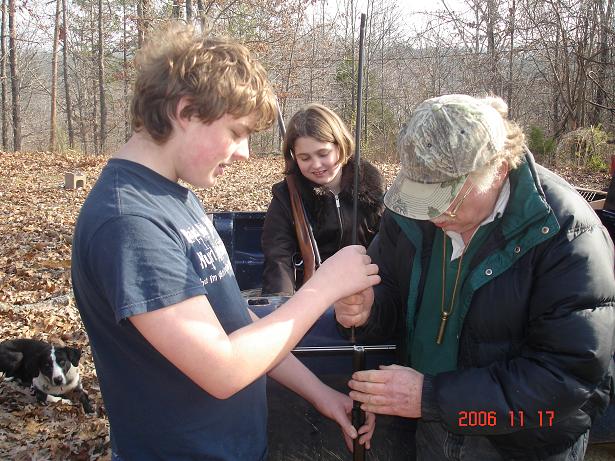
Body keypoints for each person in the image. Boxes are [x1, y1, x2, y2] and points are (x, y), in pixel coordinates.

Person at [71, 22, 378, 460]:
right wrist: (324, 286)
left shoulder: (174, 196)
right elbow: (222, 368)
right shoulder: (130, 221)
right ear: (186, 111)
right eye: (236, 132)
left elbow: (236, 321)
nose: (244, 153)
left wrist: (319, 394)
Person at [334, 94, 615, 460]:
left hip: (525, 442)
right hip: (430, 426)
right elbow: (389, 293)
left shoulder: (566, 233)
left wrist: (431, 396)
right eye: (422, 195)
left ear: (498, 168)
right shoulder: (409, 216)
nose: (433, 214)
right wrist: (366, 311)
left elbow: (566, 376)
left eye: (447, 197)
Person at [261, 103, 385, 295]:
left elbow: (387, 247)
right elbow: (278, 260)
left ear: (340, 145)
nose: (316, 165)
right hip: (312, 299)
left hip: (368, 296)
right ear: (294, 157)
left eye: (323, 153)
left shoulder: (373, 188)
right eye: (305, 158)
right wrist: (281, 308)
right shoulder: (286, 196)